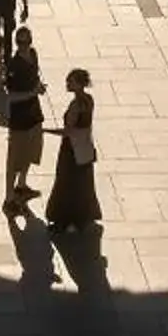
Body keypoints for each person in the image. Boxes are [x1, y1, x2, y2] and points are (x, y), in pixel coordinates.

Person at [44, 67, 99, 227]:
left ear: (79, 84)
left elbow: (67, 132)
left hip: (71, 150)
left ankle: (66, 219)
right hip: (85, 148)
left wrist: (45, 130)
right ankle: (83, 216)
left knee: (66, 183)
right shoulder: (89, 100)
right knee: (82, 183)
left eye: (70, 81)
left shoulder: (76, 106)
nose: (67, 83)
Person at [0, 29, 47, 210]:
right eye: (19, 43)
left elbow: (35, 77)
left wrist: (38, 87)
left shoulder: (34, 55)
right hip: (19, 118)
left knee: (31, 150)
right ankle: (9, 198)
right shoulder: (13, 65)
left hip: (34, 114)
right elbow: (11, 96)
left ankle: (21, 185)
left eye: (26, 42)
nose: (23, 46)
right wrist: (32, 93)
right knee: (14, 159)